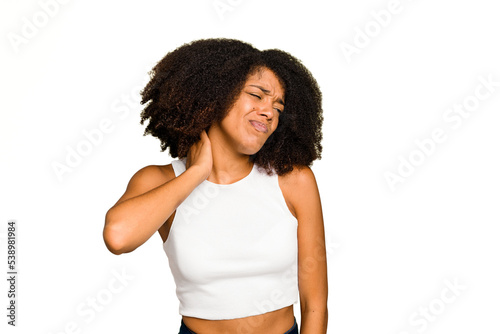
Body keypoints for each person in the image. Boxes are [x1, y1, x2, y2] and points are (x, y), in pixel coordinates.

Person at [103, 38, 328, 334]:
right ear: (215, 94)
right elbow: (118, 238)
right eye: (257, 95)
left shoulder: (293, 180)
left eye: (277, 106)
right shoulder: (160, 181)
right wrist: (195, 173)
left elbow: (315, 304)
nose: (269, 111)